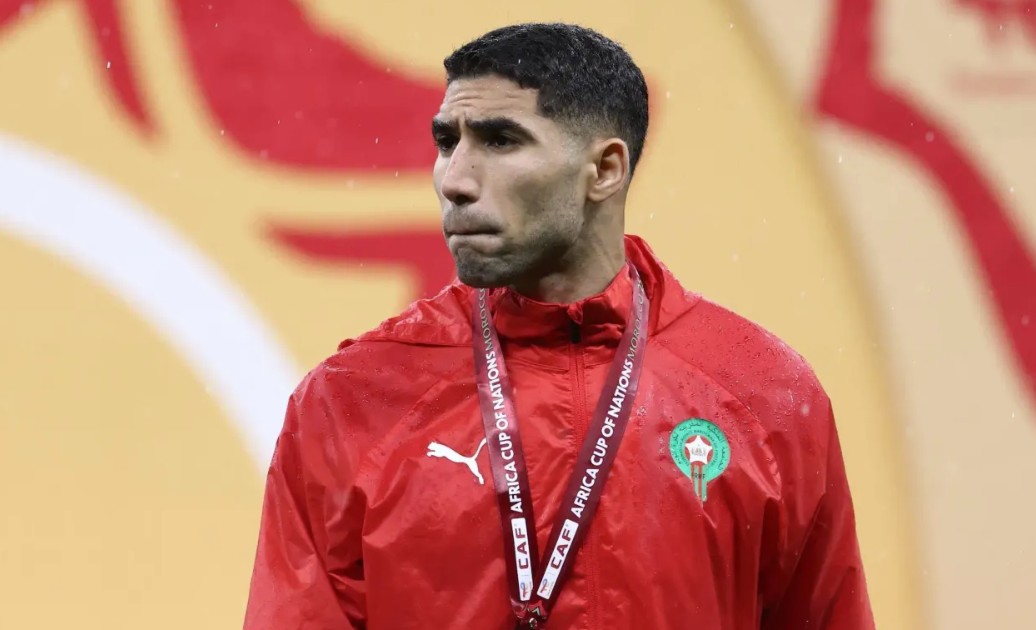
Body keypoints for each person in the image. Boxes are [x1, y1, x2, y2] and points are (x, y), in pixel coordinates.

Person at [243, 22, 874, 630]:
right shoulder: (350, 401)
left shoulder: (764, 395)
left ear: (605, 170)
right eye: (447, 141)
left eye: (499, 141)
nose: (455, 180)